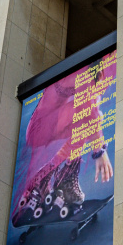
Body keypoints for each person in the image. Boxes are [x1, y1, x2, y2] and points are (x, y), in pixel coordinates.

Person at [11, 57, 114, 226]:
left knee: (91, 113)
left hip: (54, 122)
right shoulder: (86, 71)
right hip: (41, 127)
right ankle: (53, 178)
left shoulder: (96, 70)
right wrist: (99, 151)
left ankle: (58, 176)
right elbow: (88, 109)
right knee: (90, 113)